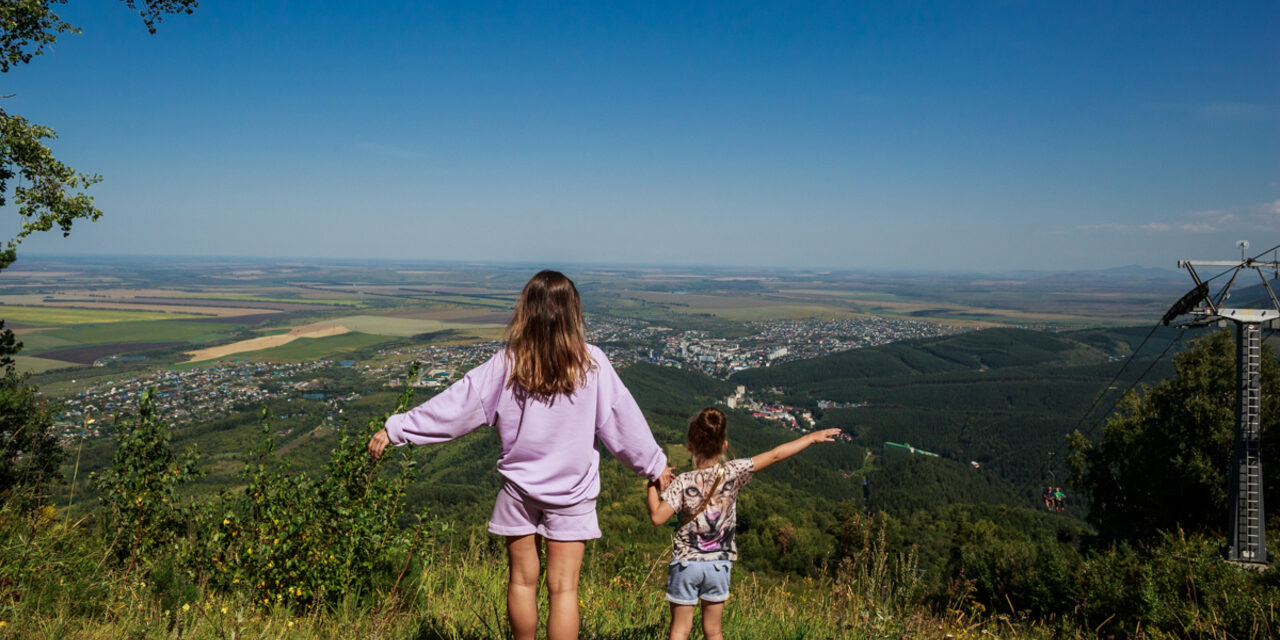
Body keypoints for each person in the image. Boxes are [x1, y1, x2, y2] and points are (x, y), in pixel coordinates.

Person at [368, 270, 672, 640]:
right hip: (572, 494)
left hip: (518, 492)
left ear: (526, 312)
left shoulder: (508, 363)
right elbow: (622, 423)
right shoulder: (592, 363)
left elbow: (456, 407)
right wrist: (654, 465)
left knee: (522, 582)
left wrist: (398, 429)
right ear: (572, 313)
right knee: (564, 590)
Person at [645, 407, 841, 640]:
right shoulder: (733, 472)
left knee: (679, 630)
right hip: (719, 564)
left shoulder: (683, 482)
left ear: (690, 445)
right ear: (724, 445)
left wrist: (652, 485)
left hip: (686, 563)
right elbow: (775, 454)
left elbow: (657, 518)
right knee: (714, 631)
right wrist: (810, 438)